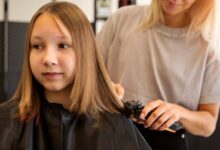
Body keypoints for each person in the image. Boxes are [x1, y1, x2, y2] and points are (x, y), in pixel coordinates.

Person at [0, 2, 152, 150]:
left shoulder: (115, 126)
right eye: (38, 46)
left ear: (85, 51)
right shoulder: (5, 122)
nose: (48, 59)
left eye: (63, 45)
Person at [96, 0, 220, 149]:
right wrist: (102, 85)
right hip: (111, 134)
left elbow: (208, 124)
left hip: (167, 143)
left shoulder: (208, 51)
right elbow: (87, 70)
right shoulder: (121, 19)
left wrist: (179, 113)